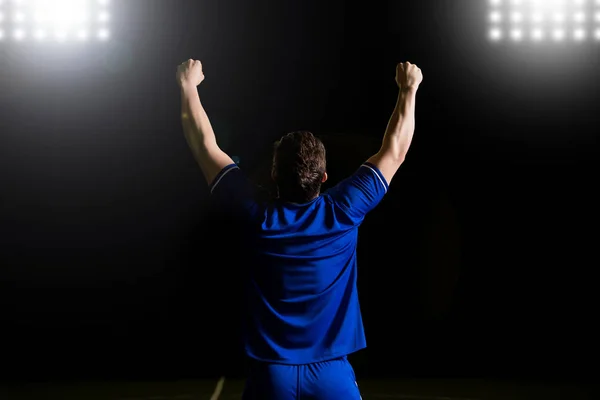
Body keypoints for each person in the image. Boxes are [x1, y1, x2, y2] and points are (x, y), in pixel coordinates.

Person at [176, 59, 422, 400]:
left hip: (270, 375)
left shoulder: (255, 214)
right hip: (332, 375)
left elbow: (204, 145)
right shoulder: (343, 210)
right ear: (323, 177)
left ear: (274, 175)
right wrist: (408, 90)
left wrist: (189, 87)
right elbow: (395, 150)